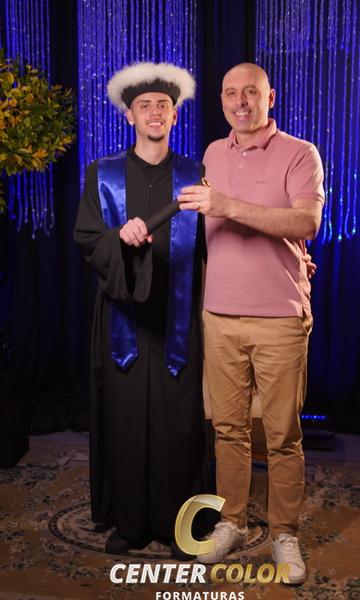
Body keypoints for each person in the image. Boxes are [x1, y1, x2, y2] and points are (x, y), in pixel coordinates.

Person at [178, 62, 324, 584]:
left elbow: (306, 221)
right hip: (219, 313)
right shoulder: (213, 154)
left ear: (270, 98)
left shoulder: (300, 153)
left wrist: (230, 205)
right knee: (229, 430)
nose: (240, 102)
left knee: (281, 436)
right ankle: (232, 522)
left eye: (251, 93)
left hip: (280, 317)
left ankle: (284, 533)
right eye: (230, 94)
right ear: (221, 100)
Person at [74, 62, 210, 556]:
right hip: (123, 321)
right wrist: (119, 237)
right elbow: (88, 239)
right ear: (129, 115)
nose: (154, 112)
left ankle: (181, 525)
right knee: (126, 420)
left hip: (178, 317)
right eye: (144, 105)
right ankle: (130, 523)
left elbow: (216, 245)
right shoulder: (103, 174)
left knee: (180, 424)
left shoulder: (196, 176)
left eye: (163, 106)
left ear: (174, 116)